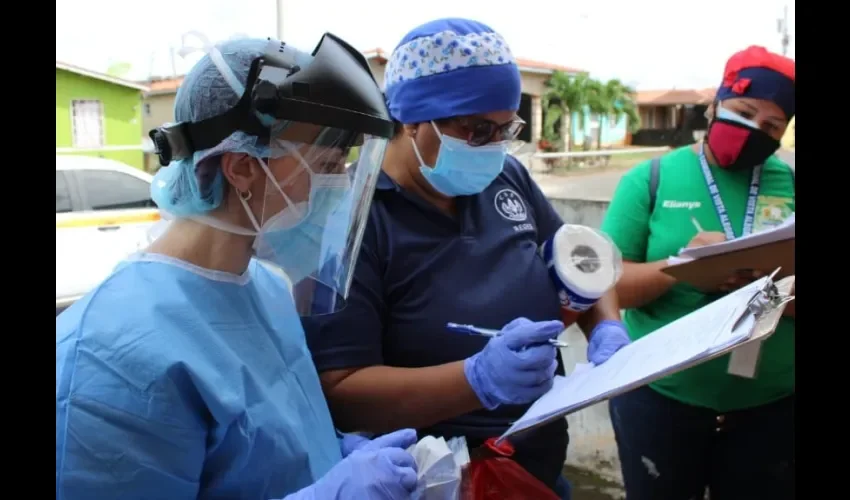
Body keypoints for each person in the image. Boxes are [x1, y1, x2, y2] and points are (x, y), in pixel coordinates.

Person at [56, 35, 421, 500]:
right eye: (327, 165)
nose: (339, 188)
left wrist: (330, 453)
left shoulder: (266, 288)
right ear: (242, 168)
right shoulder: (106, 356)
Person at [302, 18, 631, 498]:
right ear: (412, 119)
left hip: (536, 467)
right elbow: (343, 391)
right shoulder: (351, 217)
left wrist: (605, 325)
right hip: (442, 478)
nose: (494, 146)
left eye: (506, 128)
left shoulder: (507, 179)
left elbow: (581, 260)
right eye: (478, 130)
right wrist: (476, 380)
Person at [601, 45, 795, 500]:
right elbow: (608, 289)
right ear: (714, 106)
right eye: (744, 112)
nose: (755, 131)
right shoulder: (650, 180)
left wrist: (771, 289)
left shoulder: (790, 184)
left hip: (771, 408)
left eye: (772, 125)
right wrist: (682, 268)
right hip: (659, 399)